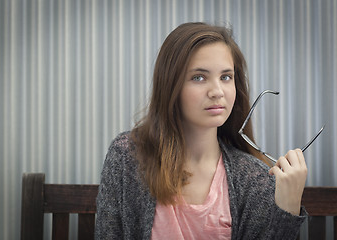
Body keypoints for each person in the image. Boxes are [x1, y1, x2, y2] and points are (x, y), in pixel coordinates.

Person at [95, 22, 307, 240]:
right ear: (170, 86)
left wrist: (289, 206)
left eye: (226, 77)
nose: (217, 92)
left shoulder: (254, 178)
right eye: (199, 77)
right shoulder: (127, 156)